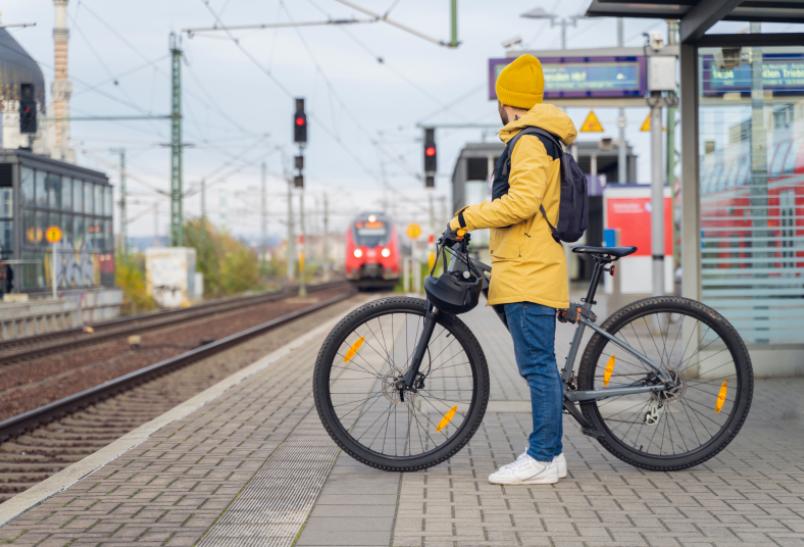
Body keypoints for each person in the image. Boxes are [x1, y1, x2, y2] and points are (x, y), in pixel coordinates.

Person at [445, 54, 577, 485]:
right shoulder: (540, 139)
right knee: (539, 364)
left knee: (538, 366)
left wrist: (466, 217)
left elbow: (520, 203)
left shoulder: (529, 142)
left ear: (506, 102)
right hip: (525, 264)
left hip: (529, 269)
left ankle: (542, 457)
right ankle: (551, 455)